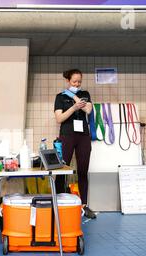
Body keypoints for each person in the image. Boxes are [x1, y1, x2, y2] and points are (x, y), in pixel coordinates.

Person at [54, 69, 96, 219]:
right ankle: (58, 202)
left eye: (79, 81)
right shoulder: (60, 97)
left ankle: (84, 205)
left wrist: (79, 102)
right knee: (61, 170)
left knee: (83, 170)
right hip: (67, 135)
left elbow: (89, 109)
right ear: (68, 81)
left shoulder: (85, 95)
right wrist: (73, 107)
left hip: (83, 136)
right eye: (74, 82)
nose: (77, 84)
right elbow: (59, 118)